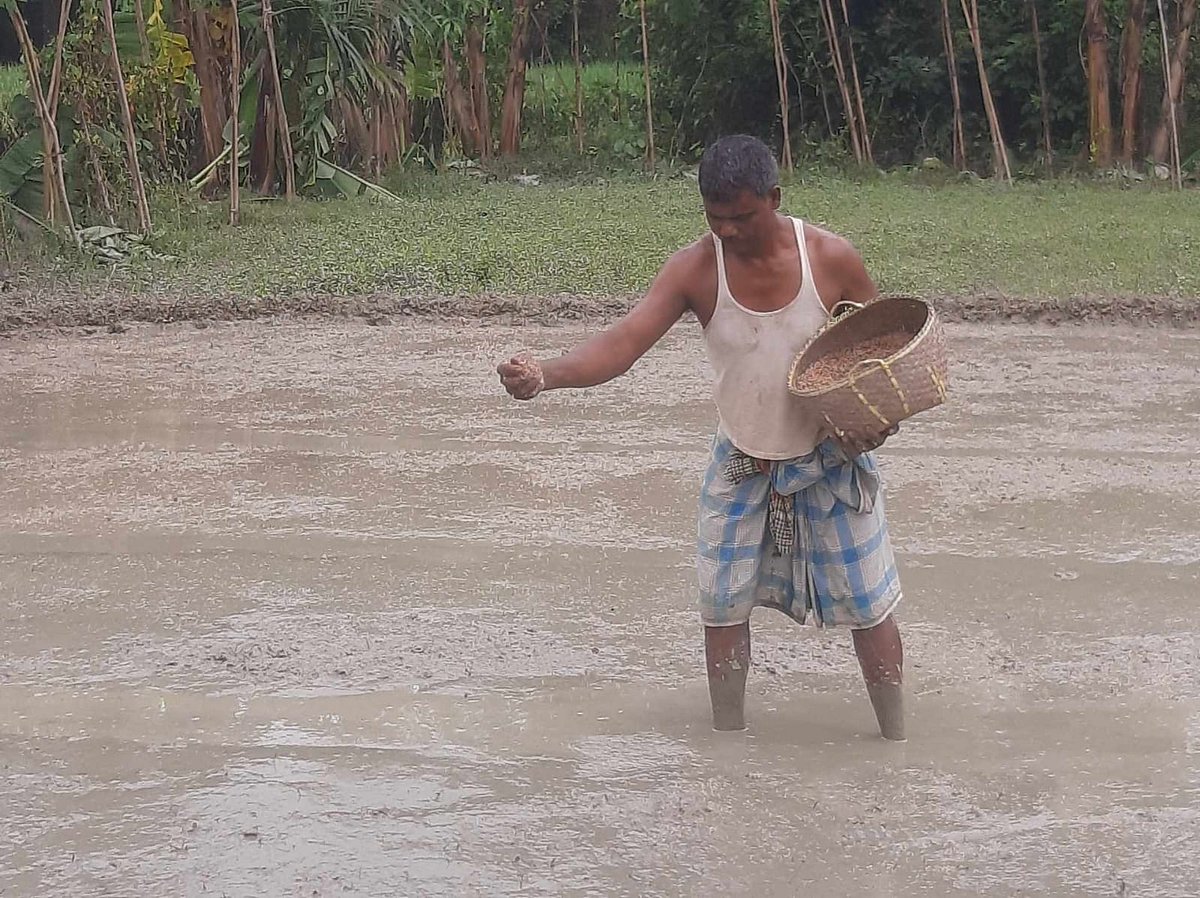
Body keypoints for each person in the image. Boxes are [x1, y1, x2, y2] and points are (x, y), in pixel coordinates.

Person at [496, 134, 906, 741]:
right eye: (716, 219)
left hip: (828, 462)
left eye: (742, 217)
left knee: (869, 607)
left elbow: (882, 348)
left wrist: (881, 419)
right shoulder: (695, 269)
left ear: (774, 197)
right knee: (722, 606)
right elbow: (623, 344)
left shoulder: (830, 259)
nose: (730, 232)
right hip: (742, 460)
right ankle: (727, 740)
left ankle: (895, 737)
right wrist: (546, 377)